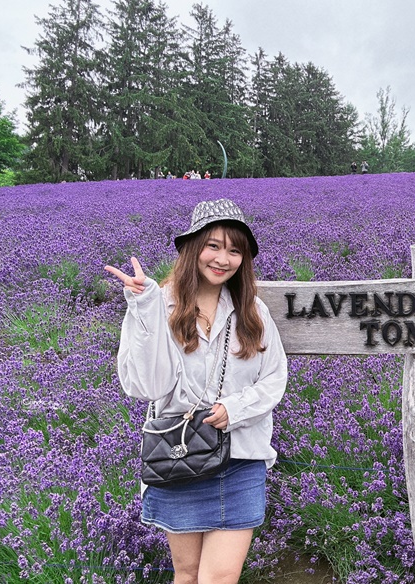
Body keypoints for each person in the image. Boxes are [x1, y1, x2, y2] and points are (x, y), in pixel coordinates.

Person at [104, 199, 288, 584]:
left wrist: (233, 408)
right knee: (186, 575)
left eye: (235, 250)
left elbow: (274, 378)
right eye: (214, 246)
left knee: (218, 578)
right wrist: (144, 307)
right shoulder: (160, 304)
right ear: (193, 248)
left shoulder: (252, 311)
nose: (224, 259)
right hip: (180, 458)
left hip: (240, 457)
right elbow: (147, 387)